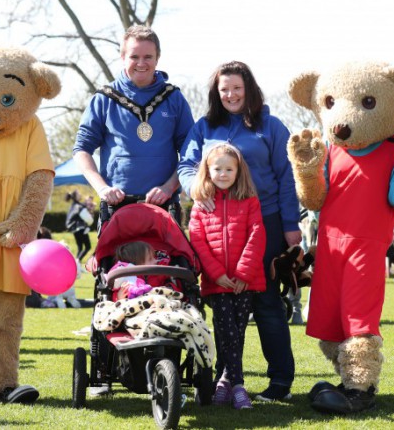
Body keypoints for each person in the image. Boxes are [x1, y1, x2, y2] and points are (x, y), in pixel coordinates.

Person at [178, 61, 301, 402]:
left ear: (248, 90)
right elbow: (187, 165)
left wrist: (291, 226)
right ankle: (226, 381)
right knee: (222, 307)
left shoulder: (271, 127)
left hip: (264, 225)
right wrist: (195, 190)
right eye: (224, 90)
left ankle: (279, 383)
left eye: (236, 88)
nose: (230, 95)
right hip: (215, 227)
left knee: (265, 303)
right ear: (217, 94)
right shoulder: (204, 128)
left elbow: (287, 178)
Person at [72, 24, 194, 223]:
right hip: (117, 207)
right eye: (134, 57)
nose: (141, 63)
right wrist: (102, 188)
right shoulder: (104, 98)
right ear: (123, 58)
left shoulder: (174, 98)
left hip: (164, 206)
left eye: (148, 57)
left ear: (157, 58)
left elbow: (191, 155)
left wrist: (168, 188)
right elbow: (81, 150)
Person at [189, 143, 266, 409]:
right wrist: (217, 274)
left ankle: (223, 382)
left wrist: (243, 273)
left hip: (246, 282)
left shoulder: (249, 201)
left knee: (236, 334)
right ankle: (239, 385)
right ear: (207, 171)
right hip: (216, 283)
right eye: (217, 168)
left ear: (238, 171)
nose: (223, 173)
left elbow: (257, 236)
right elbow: (197, 240)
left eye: (229, 169)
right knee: (227, 332)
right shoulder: (201, 206)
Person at [64, 190, 93, 261]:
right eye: (78, 193)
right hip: (80, 228)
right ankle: (77, 262)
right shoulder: (79, 206)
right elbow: (89, 220)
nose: (80, 194)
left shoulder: (73, 206)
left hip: (73, 229)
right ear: (76, 196)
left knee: (80, 247)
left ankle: (77, 265)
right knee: (88, 247)